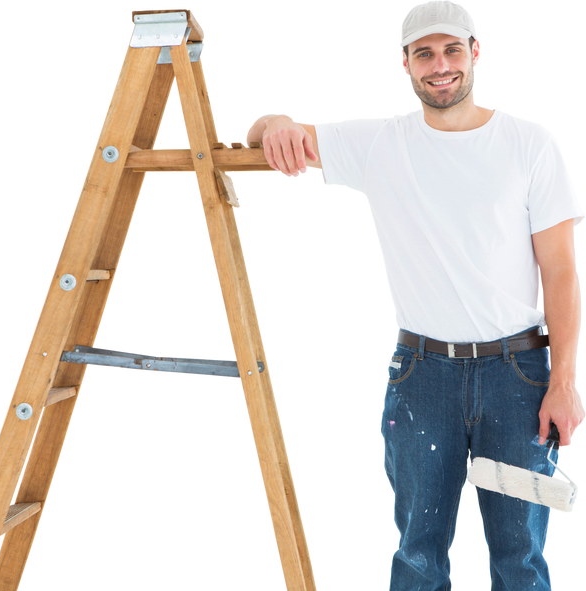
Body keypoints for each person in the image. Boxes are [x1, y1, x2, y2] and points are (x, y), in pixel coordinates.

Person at [243, 1, 586, 589]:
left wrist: (564, 382)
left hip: (520, 376)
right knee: (417, 558)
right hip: (421, 376)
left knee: (520, 559)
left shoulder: (531, 143)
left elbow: (560, 272)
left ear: (475, 52)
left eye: (452, 49)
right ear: (405, 63)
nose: (440, 65)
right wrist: (274, 125)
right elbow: (273, 129)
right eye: (424, 53)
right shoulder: (381, 140)